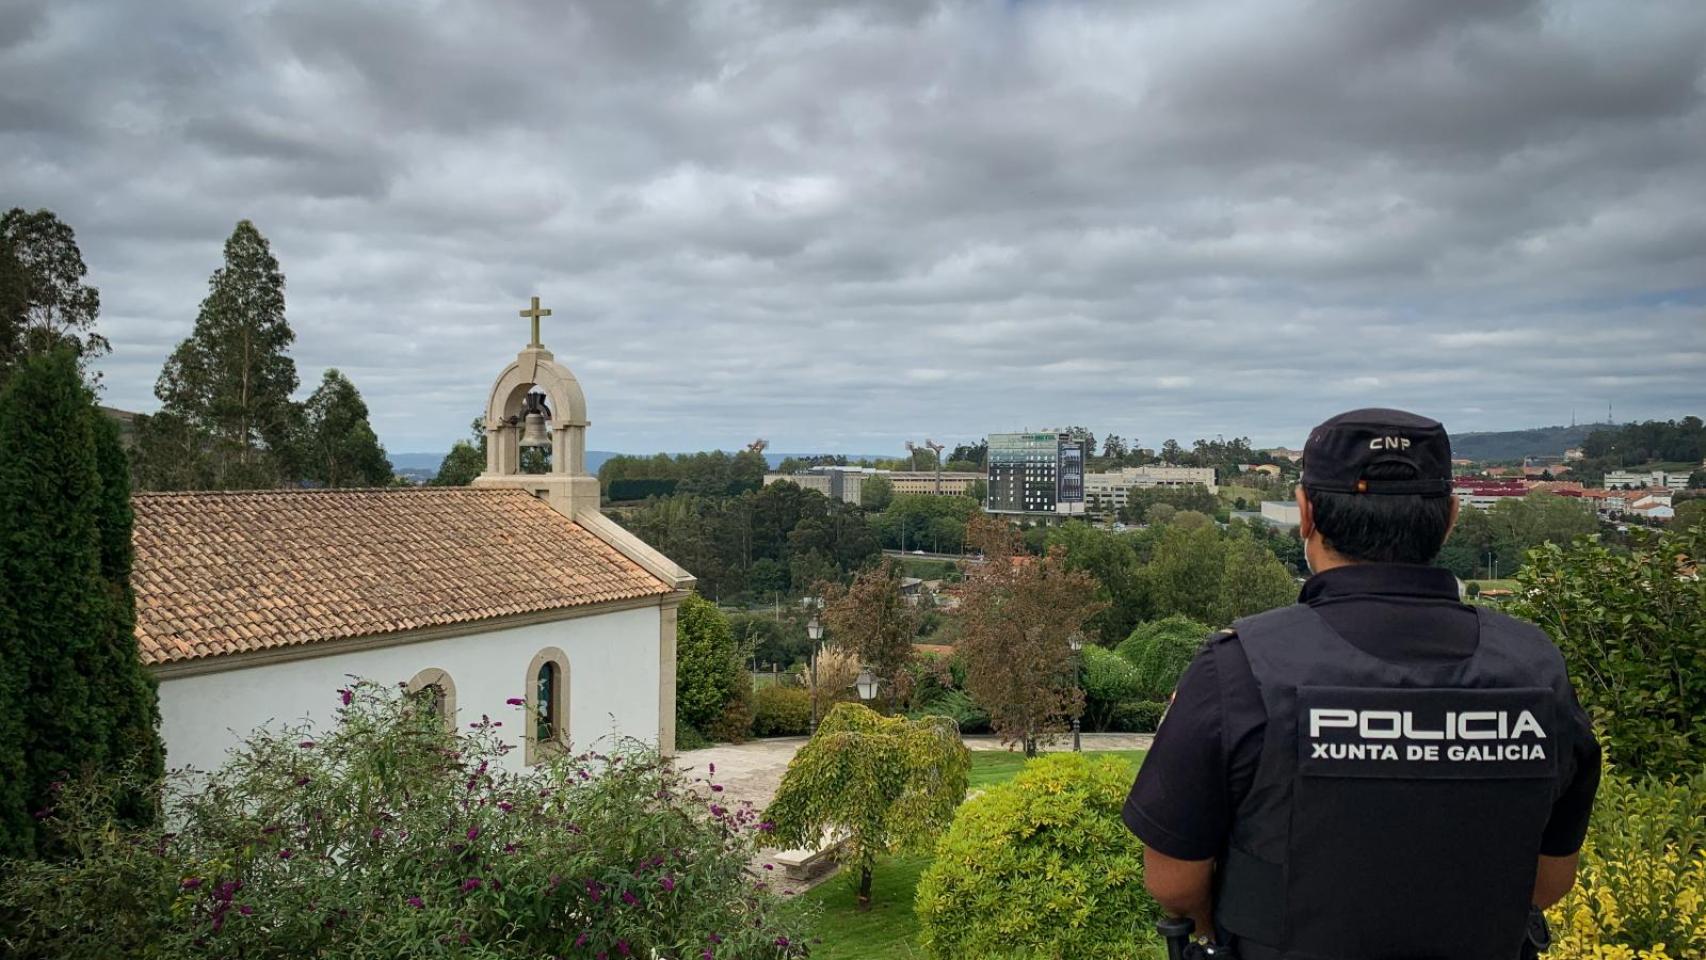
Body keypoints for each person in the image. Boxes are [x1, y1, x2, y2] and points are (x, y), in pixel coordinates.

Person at [1124, 408, 1600, 960]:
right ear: (1450, 516)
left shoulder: (1239, 668)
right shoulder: (1535, 668)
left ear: (1305, 513)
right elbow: (1549, 881)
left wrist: (1226, 927)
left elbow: (1173, 883)